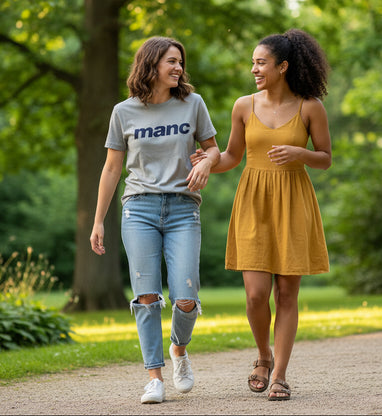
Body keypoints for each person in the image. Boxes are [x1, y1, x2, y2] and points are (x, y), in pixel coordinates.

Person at [191, 28, 331, 401]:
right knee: (256, 295)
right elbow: (233, 156)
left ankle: (280, 376)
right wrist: (207, 161)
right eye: (252, 62)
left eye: (261, 63)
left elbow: (326, 158)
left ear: (283, 67)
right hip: (253, 200)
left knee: (287, 292)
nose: (254, 69)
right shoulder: (243, 105)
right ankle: (263, 356)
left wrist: (300, 154)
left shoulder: (310, 106)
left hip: (294, 201)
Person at [90, 36, 220, 404]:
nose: (179, 68)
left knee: (185, 298)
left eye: (180, 62)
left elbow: (214, 150)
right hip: (139, 209)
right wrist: (98, 220)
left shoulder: (193, 104)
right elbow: (112, 168)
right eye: (171, 62)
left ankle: (179, 349)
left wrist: (208, 162)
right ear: (151, 65)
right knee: (146, 296)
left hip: (183, 209)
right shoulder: (123, 112)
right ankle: (154, 377)